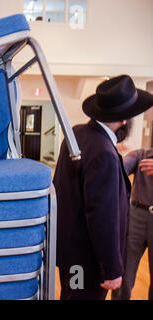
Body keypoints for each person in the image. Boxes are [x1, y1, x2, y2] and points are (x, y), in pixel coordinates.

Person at [54, 75, 153, 300]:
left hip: (70, 253)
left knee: (71, 296)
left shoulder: (78, 134)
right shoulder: (104, 154)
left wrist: (110, 150)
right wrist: (111, 269)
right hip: (89, 260)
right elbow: (102, 216)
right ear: (125, 120)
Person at [111, 148, 153, 300]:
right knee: (125, 276)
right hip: (136, 218)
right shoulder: (140, 155)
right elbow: (121, 168)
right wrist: (113, 152)